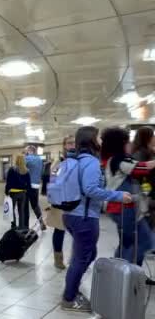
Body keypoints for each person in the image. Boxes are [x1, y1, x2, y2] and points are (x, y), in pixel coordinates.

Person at [60, 126, 132, 313]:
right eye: (98, 137)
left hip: (70, 215)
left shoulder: (73, 159)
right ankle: (69, 298)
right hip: (84, 217)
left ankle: (71, 289)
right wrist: (118, 195)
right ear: (91, 140)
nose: (101, 141)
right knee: (82, 257)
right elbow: (90, 189)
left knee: (86, 254)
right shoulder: (91, 162)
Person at [101, 127, 155, 266]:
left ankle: (123, 273)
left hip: (126, 207)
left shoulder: (117, 159)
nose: (130, 143)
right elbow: (141, 168)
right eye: (127, 141)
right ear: (120, 143)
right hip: (123, 207)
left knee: (134, 242)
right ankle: (123, 273)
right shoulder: (119, 160)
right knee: (137, 243)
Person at [45, 135, 75, 270]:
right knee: (59, 230)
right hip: (61, 203)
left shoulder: (81, 161)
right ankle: (58, 259)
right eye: (69, 143)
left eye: (74, 143)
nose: (72, 146)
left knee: (78, 233)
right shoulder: (59, 162)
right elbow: (53, 181)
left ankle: (76, 259)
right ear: (64, 146)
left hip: (77, 202)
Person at [132, 126, 155, 233]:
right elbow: (140, 174)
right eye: (152, 135)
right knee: (147, 220)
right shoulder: (140, 153)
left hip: (148, 191)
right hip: (146, 191)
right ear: (147, 137)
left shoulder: (147, 151)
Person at [5, 155, 31, 229]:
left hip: (13, 193)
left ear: (16, 160)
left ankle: (13, 225)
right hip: (22, 193)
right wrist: (27, 192)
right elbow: (28, 183)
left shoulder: (12, 169)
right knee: (21, 210)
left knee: (12, 209)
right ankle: (21, 226)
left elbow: (8, 182)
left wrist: (6, 191)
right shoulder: (26, 170)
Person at [25, 146, 46, 230]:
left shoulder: (27, 158)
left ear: (30, 151)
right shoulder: (40, 160)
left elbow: (21, 169)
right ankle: (41, 222)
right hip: (36, 185)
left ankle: (25, 226)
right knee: (35, 205)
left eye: (27, 151)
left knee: (24, 206)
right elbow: (42, 172)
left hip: (27, 185)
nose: (26, 152)